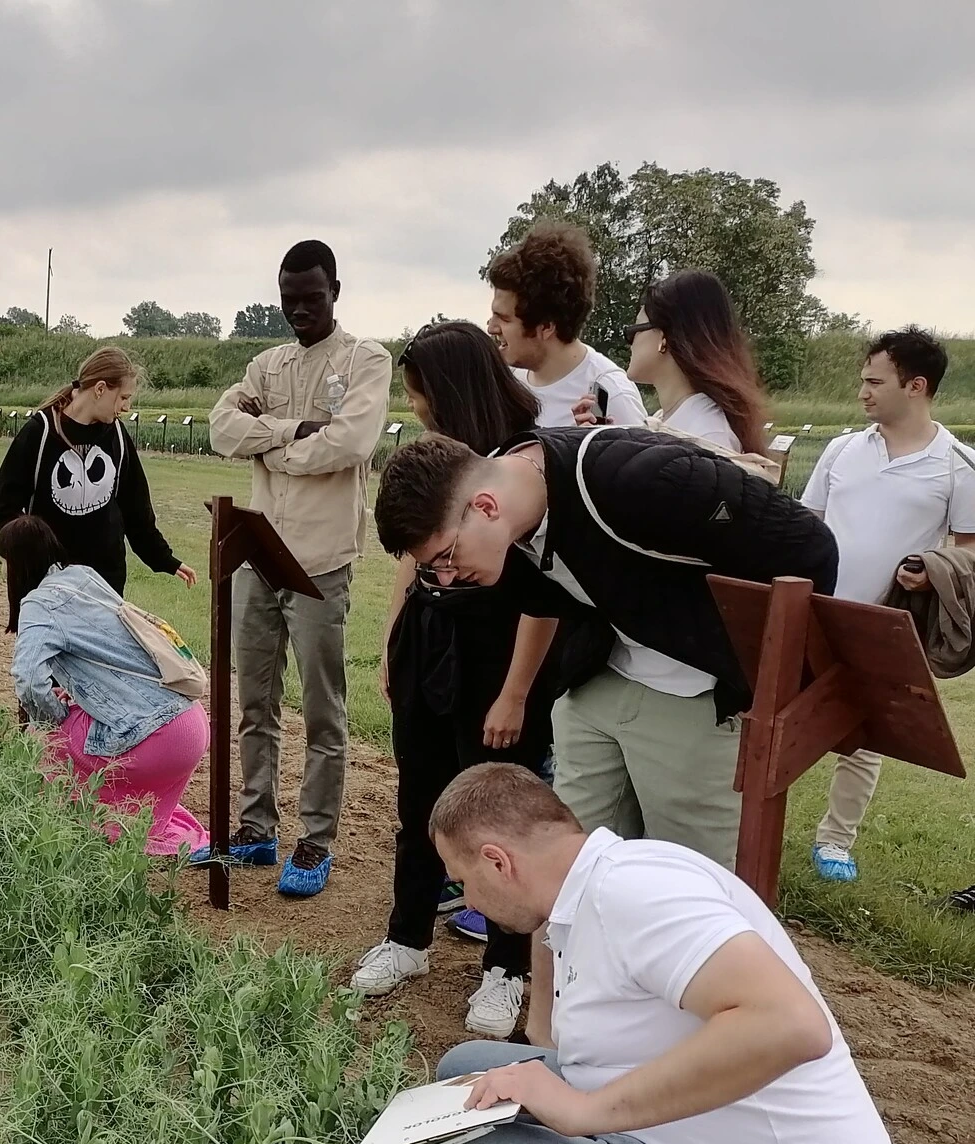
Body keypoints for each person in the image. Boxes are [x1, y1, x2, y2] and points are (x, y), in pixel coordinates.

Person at [410, 763, 913, 1144]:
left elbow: (791, 1025)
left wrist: (583, 1114)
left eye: (463, 881)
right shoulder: (596, 887)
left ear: (499, 861)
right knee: (466, 1075)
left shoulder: (634, 894)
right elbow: (579, 1041)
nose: (468, 898)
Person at [374, 423, 838, 870]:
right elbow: (552, 593)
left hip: (697, 699)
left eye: (447, 556)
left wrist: (752, 681)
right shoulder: (508, 489)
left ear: (486, 507)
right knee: (572, 871)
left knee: (691, 881)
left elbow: (807, 546)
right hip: (597, 685)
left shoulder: (641, 480)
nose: (448, 577)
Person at [352, 322, 558, 1038]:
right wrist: (390, 645)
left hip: (494, 655)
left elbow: (544, 593)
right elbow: (414, 557)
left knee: (502, 813)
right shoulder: (440, 463)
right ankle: (407, 939)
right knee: (420, 801)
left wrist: (516, 691)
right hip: (428, 642)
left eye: (422, 395)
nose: (419, 409)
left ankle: (507, 969)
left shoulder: (522, 465)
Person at [200, 239, 392, 898]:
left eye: (311, 298)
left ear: (335, 289)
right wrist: (292, 431)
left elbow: (352, 442)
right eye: (289, 300)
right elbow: (221, 430)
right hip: (256, 551)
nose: (299, 310)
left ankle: (316, 837)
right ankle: (255, 829)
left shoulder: (365, 360)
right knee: (253, 700)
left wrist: (272, 445)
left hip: (321, 561)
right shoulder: (268, 362)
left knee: (320, 708)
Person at [801, 328, 975, 883]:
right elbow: (807, 526)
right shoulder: (842, 448)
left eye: (875, 381)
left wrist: (931, 574)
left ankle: (835, 842)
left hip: (886, 625)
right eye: (863, 381)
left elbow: (969, 555)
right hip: (814, 612)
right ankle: (748, 814)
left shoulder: (959, 465)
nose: (863, 392)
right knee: (774, 719)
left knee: (864, 734)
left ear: (916, 386)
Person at [0, 516, 208, 856]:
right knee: (79, 717)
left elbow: (27, 680)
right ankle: (147, 827)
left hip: (155, 739)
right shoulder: (84, 575)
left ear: (17, 565)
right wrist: (80, 692)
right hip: (192, 725)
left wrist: (54, 714)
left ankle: (70, 829)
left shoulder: (38, 604)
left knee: (46, 741)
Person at [0, 346, 197, 597]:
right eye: (123, 398)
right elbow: (5, 506)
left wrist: (164, 559)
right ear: (100, 389)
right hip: (46, 584)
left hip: (105, 584)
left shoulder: (118, 437)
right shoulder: (41, 432)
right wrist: (28, 556)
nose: (127, 407)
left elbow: (137, 512)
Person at [486, 222, 647, 429]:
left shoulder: (609, 395)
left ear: (546, 327)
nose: (491, 328)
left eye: (504, 319)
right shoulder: (508, 384)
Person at [600, 270, 768, 454]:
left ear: (663, 338)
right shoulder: (674, 419)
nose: (629, 342)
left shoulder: (706, 435)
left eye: (633, 331)